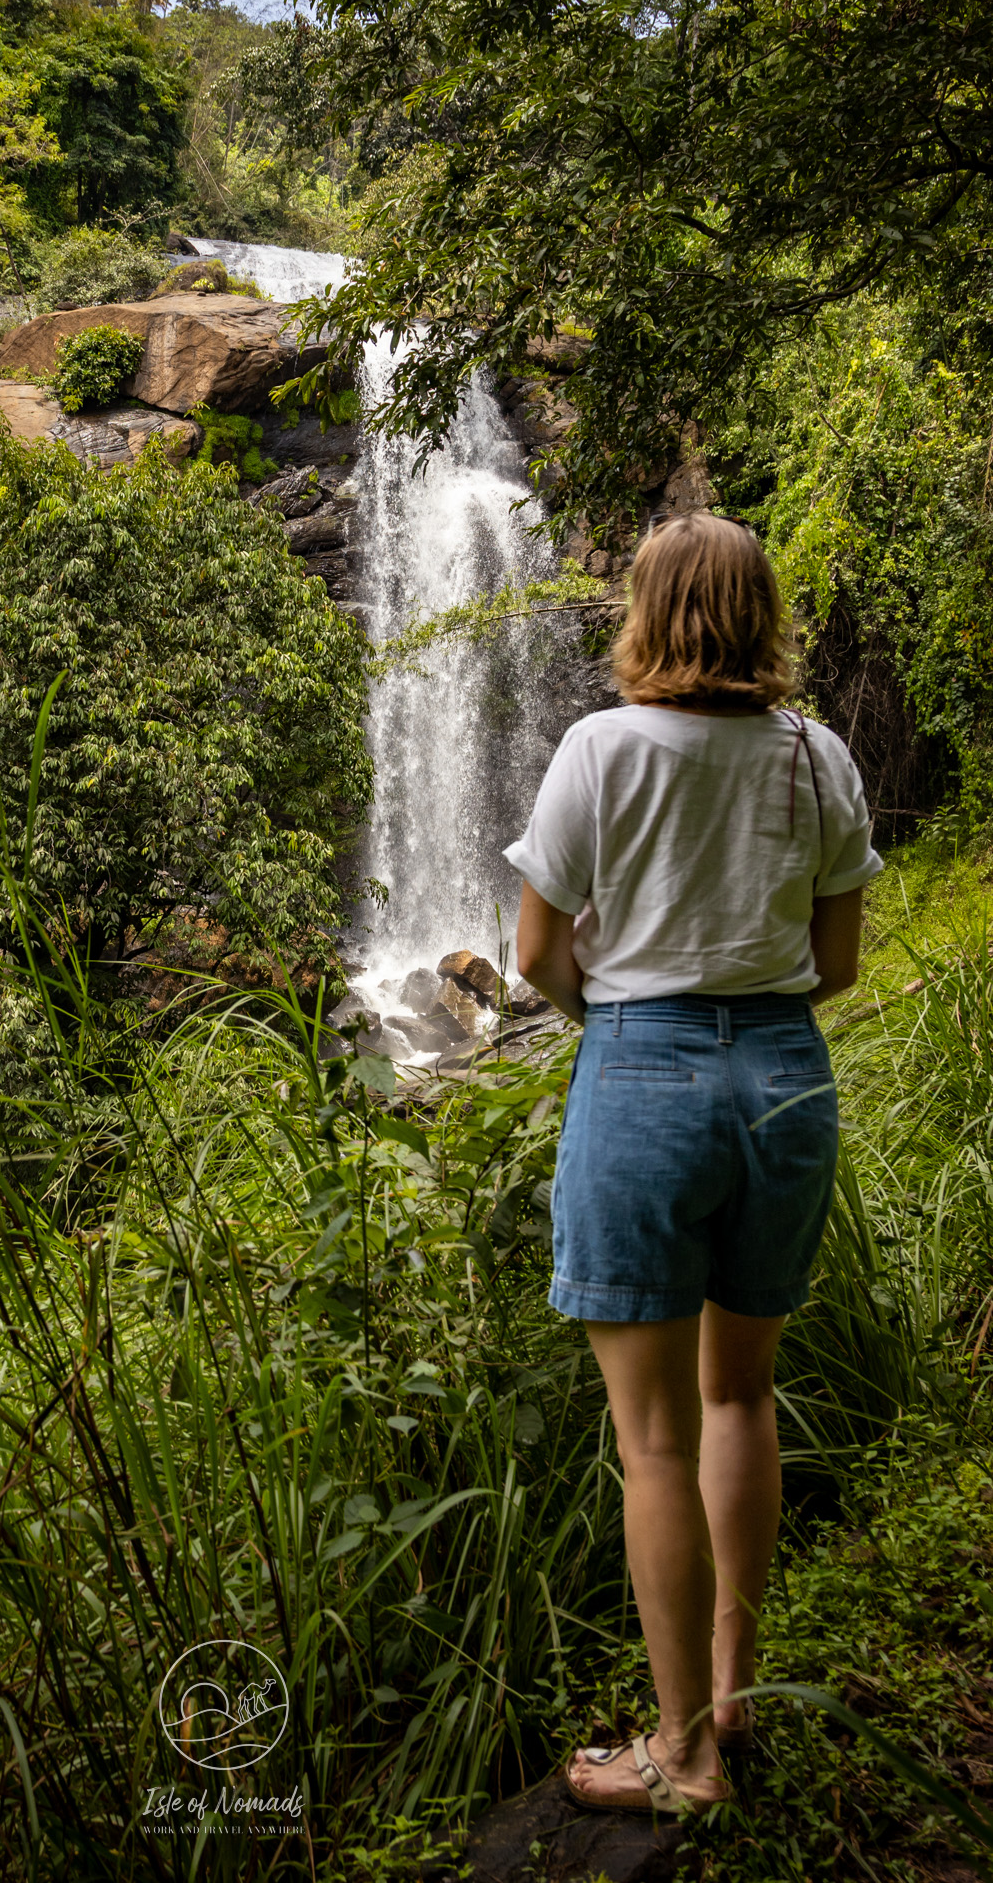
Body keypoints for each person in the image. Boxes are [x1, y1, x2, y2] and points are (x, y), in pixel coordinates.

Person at [504, 514, 881, 1817]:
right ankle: (731, 1691)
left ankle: (677, 1756)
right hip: (782, 1079)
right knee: (739, 1401)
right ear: (759, 612)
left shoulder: (598, 749)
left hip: (641, 1067)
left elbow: (536, 953)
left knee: (651, 1439)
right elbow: (835, 964)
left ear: (649, 615)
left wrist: (605, 1014)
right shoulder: (810, 755)